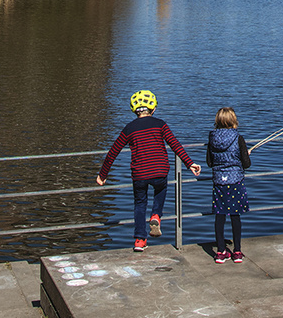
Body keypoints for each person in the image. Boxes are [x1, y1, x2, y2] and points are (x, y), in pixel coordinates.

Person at [96, 90, 200, 252]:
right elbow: (175, 145)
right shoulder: (160, 124)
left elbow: (113, 152)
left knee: (139, 203)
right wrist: (190, 163)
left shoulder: (129, 128)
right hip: (159, 171)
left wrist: (103, 174)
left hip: (140, 174)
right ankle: (156, 215)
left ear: (133, 110)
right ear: (153, 109)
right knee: (161, 189)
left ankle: (139, 239)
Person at [206, 107, 251, 264]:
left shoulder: (212, 138)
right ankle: (237, 251)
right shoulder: (238, 138)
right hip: (235, 181)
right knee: (235, 215)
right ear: (234, 121)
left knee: (219, 215)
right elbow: (246, 164)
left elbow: (209, 162)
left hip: (219, 181)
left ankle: (220, 252)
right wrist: (244, 155)